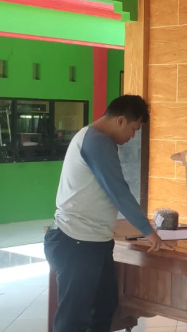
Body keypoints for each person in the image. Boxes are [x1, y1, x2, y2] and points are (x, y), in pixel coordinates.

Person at [44, 95, 171, 332]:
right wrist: (148, 231)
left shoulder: (95, 138)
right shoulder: (96, 140)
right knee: (74, 320)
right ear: (120, 120)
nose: (132, 136)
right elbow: (118, 190)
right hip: (76, 241)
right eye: (134, 129)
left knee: (104, 307)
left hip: (93, 241)